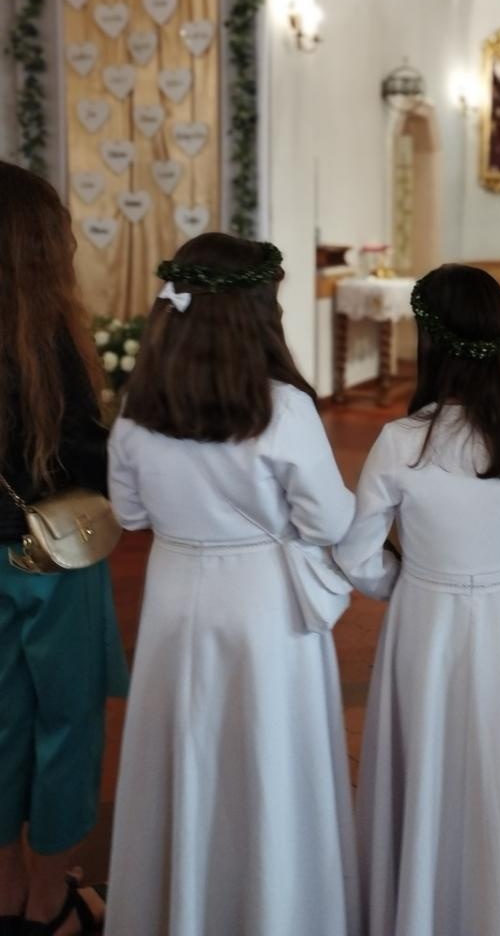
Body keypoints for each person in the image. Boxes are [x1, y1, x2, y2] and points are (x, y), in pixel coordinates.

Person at [104, 234, 359, 936]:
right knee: (268, 760)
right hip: (262, 603)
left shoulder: (135, 411)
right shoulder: (283, 409)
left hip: (174, 598)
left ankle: (177, 906)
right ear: (259, 313)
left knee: (181, 756)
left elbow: (128, 515)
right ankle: (276, 907)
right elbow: (330, 518)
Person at [335, 265, 500, 936]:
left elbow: (356, 556)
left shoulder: (401, 443)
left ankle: (418, 907)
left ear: (431, 344)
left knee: (427, 762)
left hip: (426, 622)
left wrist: (410, 582)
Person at [0, 162, 127, 936]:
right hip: (51, 562)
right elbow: (87, 465)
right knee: (67, 721)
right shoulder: (48, 337)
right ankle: (51, 901)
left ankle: (6, 889)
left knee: (1, 721)